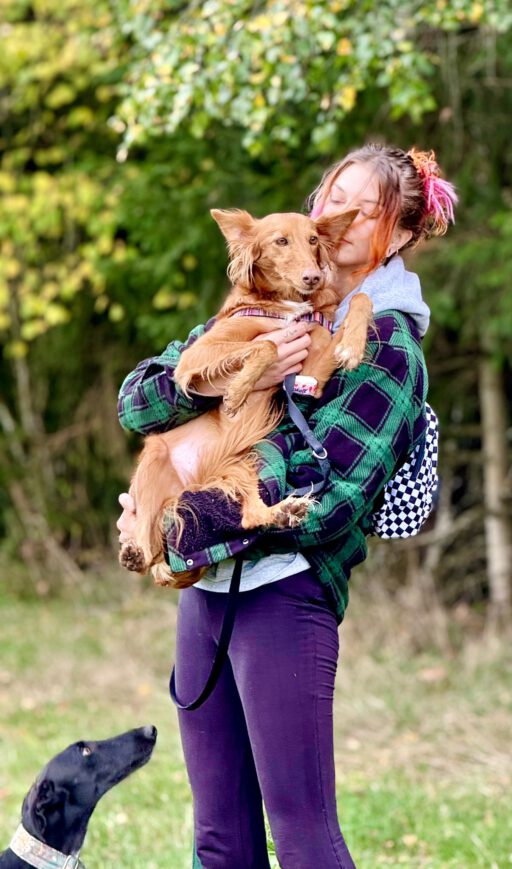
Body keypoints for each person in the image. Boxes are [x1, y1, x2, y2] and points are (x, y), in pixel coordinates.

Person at [116, 144, 457, 869]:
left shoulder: (389, 342)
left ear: (398, 233)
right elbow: (139, 399)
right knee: (219, 840)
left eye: (363, 208)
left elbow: (330, 489)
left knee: (303, 838)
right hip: (207, 595)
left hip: (285, 596)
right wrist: (213, 384)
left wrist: (182, 520)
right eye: (332, 194)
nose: (337, 214)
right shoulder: (266, 299)